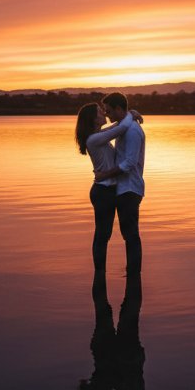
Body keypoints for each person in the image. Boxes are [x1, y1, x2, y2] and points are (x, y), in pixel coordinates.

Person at [75, 102, 141, 272]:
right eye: (99, 111)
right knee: (102, 235)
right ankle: (99, 272)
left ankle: (101, 276)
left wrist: (129, 112)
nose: (104, 112)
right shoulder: (95, 139)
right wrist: (130, 114)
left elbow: (118, 125)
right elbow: (121, 128)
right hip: (103, 192)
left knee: (105, 235)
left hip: (108, 191)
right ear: (94, 119)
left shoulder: (98, 135)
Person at [95, 92, 145, 274]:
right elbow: (116, 126)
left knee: (131, 235)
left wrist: (104, 174)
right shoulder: (124, 127)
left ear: (118, 108)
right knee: (128, 235)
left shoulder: (132, 131)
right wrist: (131, 113)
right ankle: (132, 273)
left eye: (109, 111)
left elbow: (129, 163)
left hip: (130, 189)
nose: (107, 115)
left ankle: (134, 274)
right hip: (123, 189)